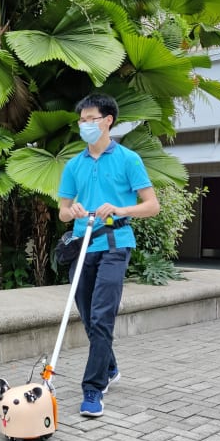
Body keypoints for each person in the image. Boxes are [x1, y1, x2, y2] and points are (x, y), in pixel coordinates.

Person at [57, 93, 160, 417]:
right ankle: (110, 366)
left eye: (91, 119)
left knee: (102, 316)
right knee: (90, 317)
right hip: (82, 245)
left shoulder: (128, 159)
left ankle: (93, 388)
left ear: (108, 121)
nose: (85, 125)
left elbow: (152, 206)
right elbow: (62, 211)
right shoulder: (74, 165)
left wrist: (120, 208)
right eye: (82, 120)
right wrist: (72, 210)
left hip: (115, 244)